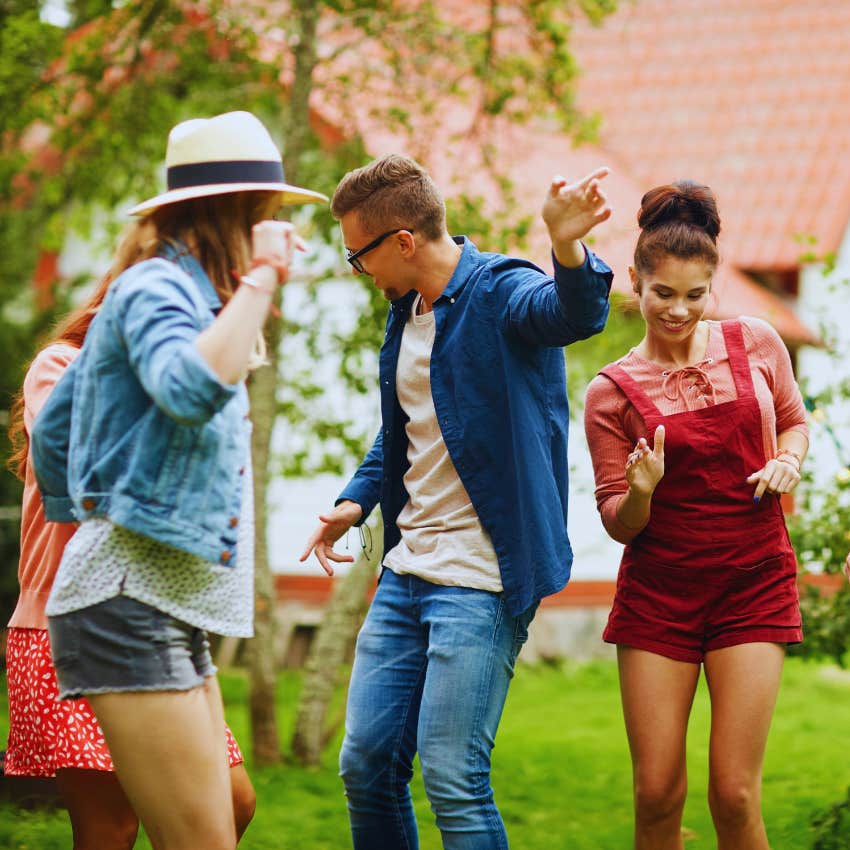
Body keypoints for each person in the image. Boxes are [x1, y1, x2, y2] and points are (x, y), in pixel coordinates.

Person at [28, 110, 326, 850]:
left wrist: (86, 505)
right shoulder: (153, 288)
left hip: (167, 606)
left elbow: (58, 431)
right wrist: (263, 279)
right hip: (131, 606)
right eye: (266, 213)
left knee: (219, 826)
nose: (275, 229)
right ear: (236, 214)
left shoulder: (191, 300)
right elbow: (189, 391)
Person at [301, 153, 613, 849]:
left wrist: (566, 245)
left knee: (452, 777)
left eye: (358, 256)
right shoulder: (405, 315)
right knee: (366, 766)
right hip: (407, 571)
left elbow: (573, 312)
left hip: (482, 578)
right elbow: (407, 429)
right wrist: (355, 502)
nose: (359, 271)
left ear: (403, 241)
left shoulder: (503, 290)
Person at [584, 181, 807, 850]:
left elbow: (794, 422)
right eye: (663, 293)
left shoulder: (758, 342)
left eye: (694, 295)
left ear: (713, 285)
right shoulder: (609, 393)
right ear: (635, 282)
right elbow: (617, 521)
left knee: (734, 795)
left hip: (754, 581)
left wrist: (788, 459)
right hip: (660, 594)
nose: (677, 310)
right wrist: (642, 492)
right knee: (656, 794)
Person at [5, 277, 256, 849]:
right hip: (66, 624)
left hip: (154, 621)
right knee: (111, 828)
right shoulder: (59, 366)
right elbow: (86, 465)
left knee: (232, 801)